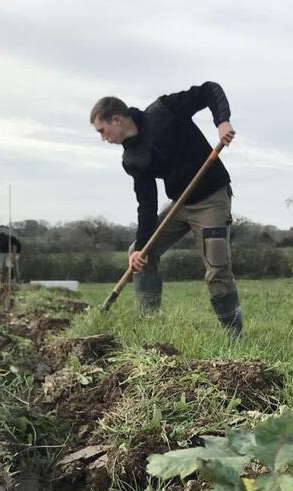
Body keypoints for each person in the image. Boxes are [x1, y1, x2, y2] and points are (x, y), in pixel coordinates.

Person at [90, 81, 242, 336]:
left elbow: (209, 90)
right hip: (180, 205)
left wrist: (222, 121)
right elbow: (146, 203)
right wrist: (141, 246)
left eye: (101, 131)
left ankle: (233, 335)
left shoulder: (165, 110)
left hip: (211, 199)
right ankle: (149, 323)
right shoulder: (132, 159)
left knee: (217, 270)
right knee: (140, 255)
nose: (103, 138)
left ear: (116, 120)